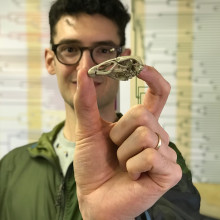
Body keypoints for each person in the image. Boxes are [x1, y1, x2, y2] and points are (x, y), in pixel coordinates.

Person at [0, 0, 203, 219]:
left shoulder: (159, 159)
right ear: (51, 61)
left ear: (124, 60)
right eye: (70, 49)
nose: (86, 68)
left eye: (104, 50)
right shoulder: (11, 167)